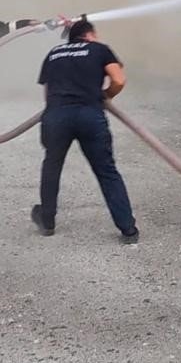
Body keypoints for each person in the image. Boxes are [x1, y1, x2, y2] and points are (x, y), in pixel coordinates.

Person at [31, 18, 139, 244]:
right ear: (89, 35)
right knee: (107, 171)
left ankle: (47, 222)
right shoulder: (99, 49)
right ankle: (128, 229)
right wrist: (105, 95)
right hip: (89, 115)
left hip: (56, 116)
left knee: (52, 166)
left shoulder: (54, 53)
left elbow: (47, 94)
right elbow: (119, 80)